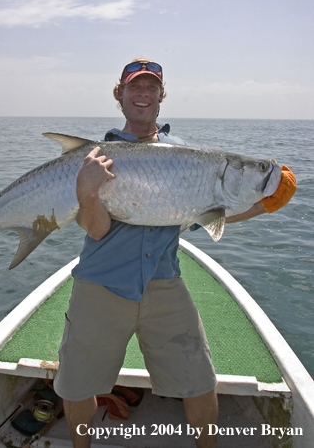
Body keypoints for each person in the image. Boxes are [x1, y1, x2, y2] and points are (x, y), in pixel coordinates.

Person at [53, 58, 296, 448]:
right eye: (135, 87)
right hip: (101, 284)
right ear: (120, 94)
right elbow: (96, 230)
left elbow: (208, 215)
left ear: (162, 95)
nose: (143, 95)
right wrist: (87, 191)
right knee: (77, 385)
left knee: (200, 380)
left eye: (151, 87)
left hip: (164, 283)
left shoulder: (185, 153)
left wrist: (264, 203)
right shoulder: (95, 159)